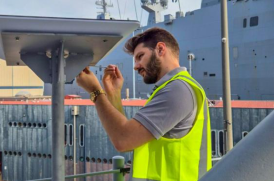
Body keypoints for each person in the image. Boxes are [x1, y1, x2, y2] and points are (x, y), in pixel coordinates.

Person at [76, 27, 211, 181]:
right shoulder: (175, 87)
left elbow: (123, 140)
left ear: (160, 49)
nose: (136, 66)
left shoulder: (177, 90)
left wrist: (95, 91)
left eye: (140, 56)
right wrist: (113, 94)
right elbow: (132, 138)